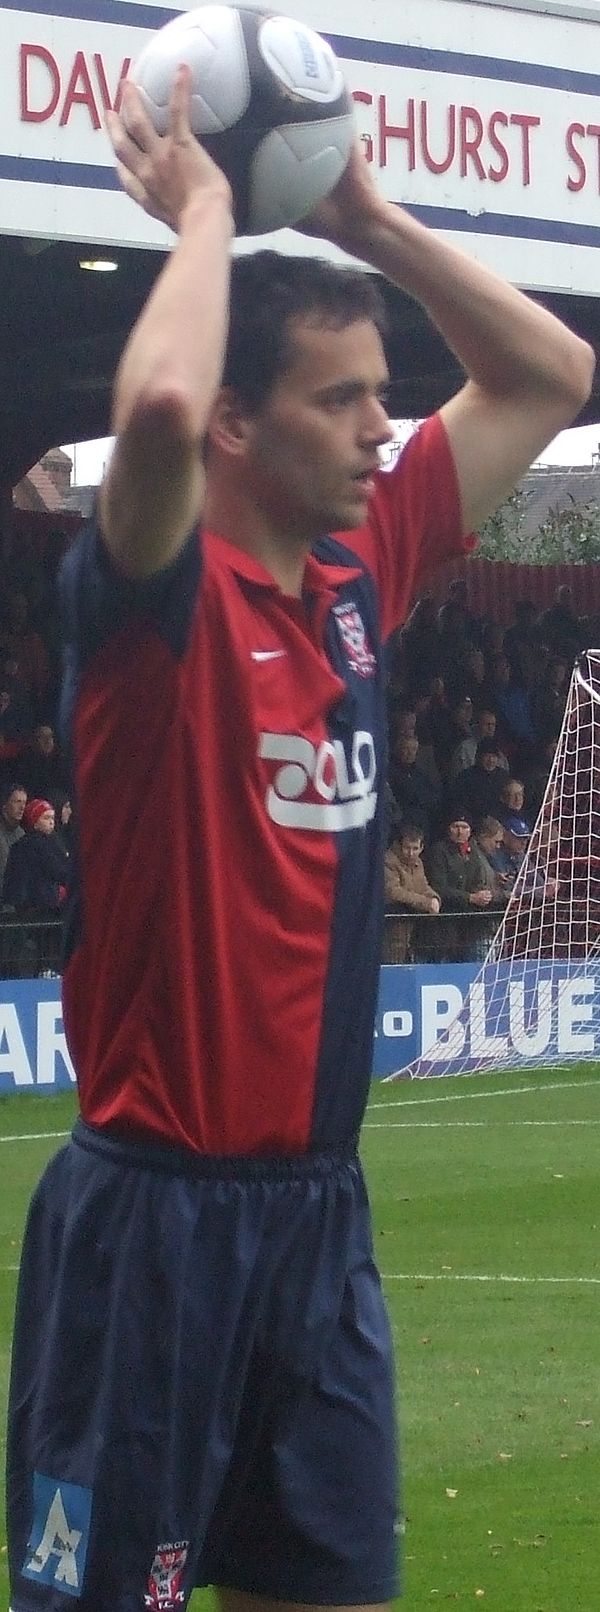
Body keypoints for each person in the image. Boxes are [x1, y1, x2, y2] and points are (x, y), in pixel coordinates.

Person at [6, 62, 593, 1612]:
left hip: (316, 1219)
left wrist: (372, 218)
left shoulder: (361, 577)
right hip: (150, 1227)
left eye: (381, 393)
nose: (382, 426)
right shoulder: (152, 606)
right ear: (244, 429)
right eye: (342, 398)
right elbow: (152, 407)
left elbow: (548, 373)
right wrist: (202, 218)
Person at [3, 797, 69, 913]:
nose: (51, 822)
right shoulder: (40, 844)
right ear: (34, 822)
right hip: (41, 906)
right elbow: (59, 871)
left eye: (52, 818)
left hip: (20, 906)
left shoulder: (20, 843)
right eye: (46, 818)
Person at [0, 781, 27, 898]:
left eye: (24, 803)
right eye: (17, 802)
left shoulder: (21, 833)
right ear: (4, 805)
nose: (22, 807)